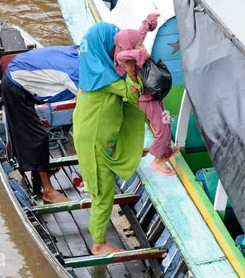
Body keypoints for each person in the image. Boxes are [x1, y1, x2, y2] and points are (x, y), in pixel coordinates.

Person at [73, 22, 145, 255]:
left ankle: (98, 237)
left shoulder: (94, 67)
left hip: (92, 136)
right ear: (103, 46)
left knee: (101, 189)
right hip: (94, 141)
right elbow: (133, 93)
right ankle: (98, 244)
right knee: (103, 193)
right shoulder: (104, 77)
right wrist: (132, 67)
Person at [1, 45, 80, 204]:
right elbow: (85, 100)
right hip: (15, 83)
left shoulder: (82, 51)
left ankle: (42, 167)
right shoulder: (75, 71)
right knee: (37, 137)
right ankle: (48, 191)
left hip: (28, 75)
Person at [114, 13, 180, 176]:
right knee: (162, 130)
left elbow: (139, 36)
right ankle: (158, 160)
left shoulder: (132, 45)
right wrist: (140, 53)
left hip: (154, 94)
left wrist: (148, 22)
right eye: (137, 44)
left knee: (165, 122)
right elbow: (122, 55)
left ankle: (163, 151)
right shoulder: (125, 57)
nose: (141, 45)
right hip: (145, 98)